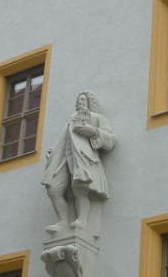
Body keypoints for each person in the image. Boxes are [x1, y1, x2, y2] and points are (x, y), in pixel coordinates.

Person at [42, 91, 116, 233]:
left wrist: (93, 131)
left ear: (90, 102)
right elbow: (64, 140)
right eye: (79, 101)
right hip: (65, 158)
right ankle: (63, 221)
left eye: (83, 100)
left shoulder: (97, 118)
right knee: (54, 189)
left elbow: (111, 140)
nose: (80, 103)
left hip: (83, 158)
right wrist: (53, 152)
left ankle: (82, 220)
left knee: (80, 188)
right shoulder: (71, 120)